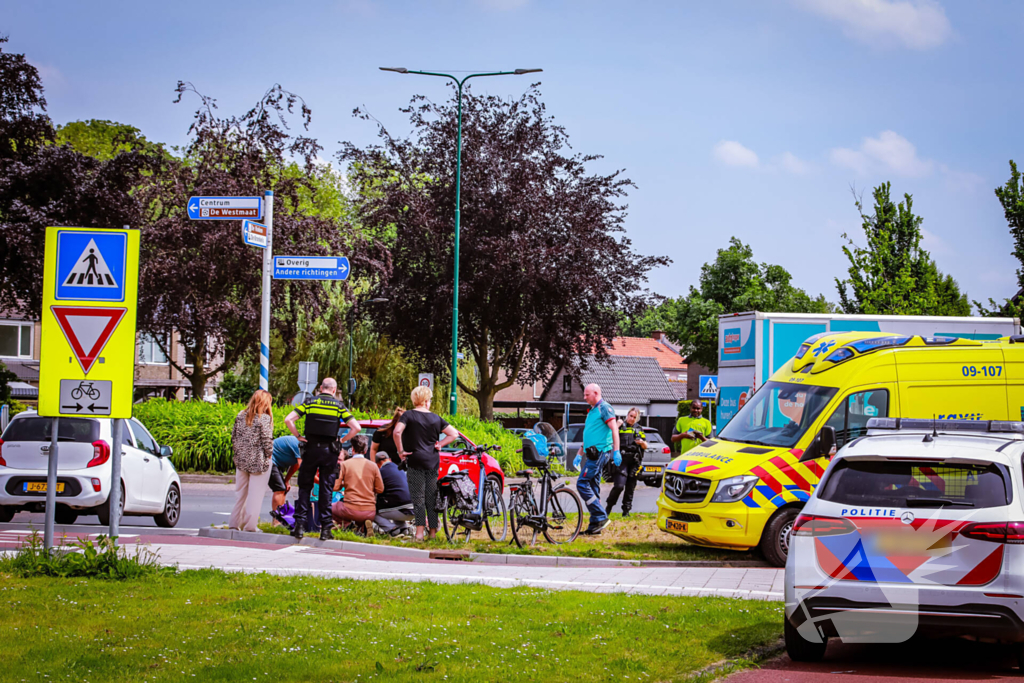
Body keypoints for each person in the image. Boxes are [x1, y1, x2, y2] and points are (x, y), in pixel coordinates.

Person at [284, 377, 361, 541]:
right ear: (334, 390)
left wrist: (298, 436)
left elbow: (288, 419)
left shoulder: (310, 402)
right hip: (329, 452)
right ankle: (326, 529)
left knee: (305, 487)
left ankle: (299, 527)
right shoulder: (339, 406)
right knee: (326, 489)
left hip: (310, 449)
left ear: (320, 388)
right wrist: (342, 440)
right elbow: (356, 427)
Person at [394, 385, 459, 542]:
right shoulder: (436, 418)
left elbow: (397, 432)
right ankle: (433, 533)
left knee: (418, 497)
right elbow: (454, 434)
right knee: (431, 497)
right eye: (429, 400)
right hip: (432, 461)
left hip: (415, 460)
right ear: (425, 401)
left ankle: (419, 534)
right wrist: (440, 445)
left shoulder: (408, 415)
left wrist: (401, 451)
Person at [572, 383, 621, 535]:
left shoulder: (604, 408)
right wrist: (579, 454)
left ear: (595, 393)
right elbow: (589, 435)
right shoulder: (592, 411)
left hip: (599, 454)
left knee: (582, 483)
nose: (584, 397)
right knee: (593, 488)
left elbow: (614, 429)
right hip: (592, 454)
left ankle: (600, 516)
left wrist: (616, 451)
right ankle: (595, 526)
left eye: (587, 395)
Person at [229, 390, 274, 532]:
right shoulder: (264, 418)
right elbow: (267, 440)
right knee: (255, 495)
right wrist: (269, 454)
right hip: (258, 461)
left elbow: (233, 437)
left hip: (241, 460)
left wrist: (239, 452)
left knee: (240, 494)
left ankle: (234, 524)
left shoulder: (240, 415)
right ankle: (249, 526)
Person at [331, 435, 384, 533]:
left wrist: (344, 484)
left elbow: (335, 487)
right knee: (362, 518)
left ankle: (348, 525)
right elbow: (380, 489)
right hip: (370, 511)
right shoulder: (373, 466)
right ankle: (364, 527)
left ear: (352, 449)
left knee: (330, 507)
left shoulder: (344, 465)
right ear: (365, 450)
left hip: (350, 509)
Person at [605, 407, 648, 517]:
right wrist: (617, 425)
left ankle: (626, 511)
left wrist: (642, 443)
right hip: (622, 460)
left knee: (630, 487)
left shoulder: (639, 429)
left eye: (635, 417)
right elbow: (609, 435)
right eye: (631, 416)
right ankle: (608, 508)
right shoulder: (621, 426)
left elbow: (646, 446)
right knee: (619, 486)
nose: (632, 419)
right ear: (627, 415)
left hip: (634, 461)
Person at [374, 448, 414, 536]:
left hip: (402, 509)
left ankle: (391, 529)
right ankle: (403, 529)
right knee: (395, 501)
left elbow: (376, 490)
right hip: (414, 508)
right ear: (389, 459)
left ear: (377, 464)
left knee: (372, 512)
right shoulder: (399, 468)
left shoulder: (381, 472)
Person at [268, 435, 302, 526]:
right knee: (279, 489)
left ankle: (281, 519)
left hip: (278, 464)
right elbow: (303, 469)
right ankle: (277, 521)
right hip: (270, 460)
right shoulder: (299, 445)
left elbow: (296, 466)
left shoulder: (304, 448)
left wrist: (286, 481)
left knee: (283, 489)